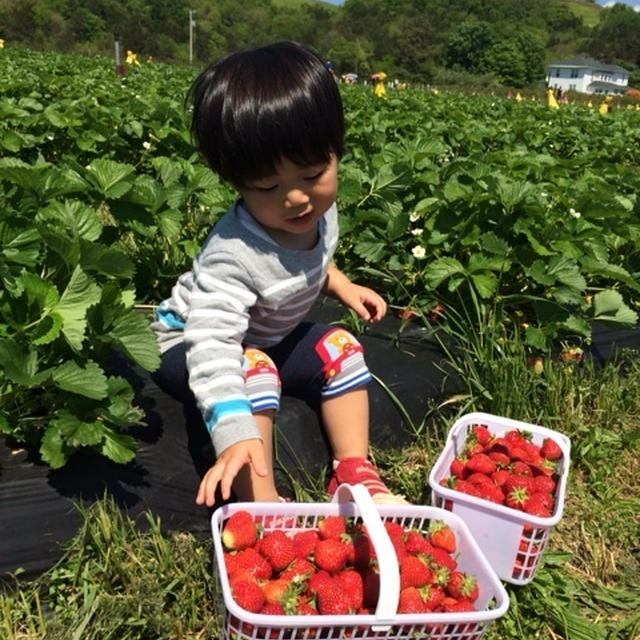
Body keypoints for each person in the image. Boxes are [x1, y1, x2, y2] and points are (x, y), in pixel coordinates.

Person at [150, 41, 407, 508]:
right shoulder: (232, 256)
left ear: (336, 152)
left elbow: (312, 262)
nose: (296, 199)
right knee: (254, 369)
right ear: (236, 182)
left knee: (341, 349)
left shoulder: (318, 214)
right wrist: (231, 430)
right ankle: (262, 505)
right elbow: (212, 346)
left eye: (312, 174)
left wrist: (343, 286)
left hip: (262, 337)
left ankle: (354, 471)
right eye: (268, 186)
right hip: (191, 342)